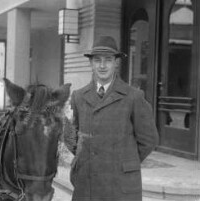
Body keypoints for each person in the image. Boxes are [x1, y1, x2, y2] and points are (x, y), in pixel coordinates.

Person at [64, 36, 159, 201]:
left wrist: (123, 160)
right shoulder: (78, 96)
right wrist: (88, 158)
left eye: (108, 60)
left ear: (116, 63)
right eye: (97, 60)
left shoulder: (134, 97)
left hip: (120, 185)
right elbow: (70, 136)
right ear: (91, 64)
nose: (102, 65)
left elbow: (149, 139)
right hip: (87, 183)